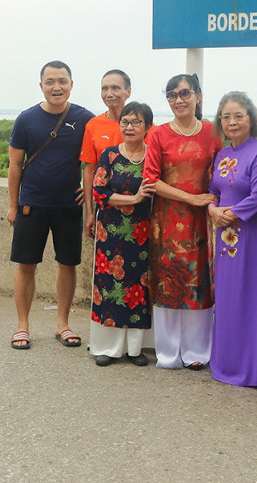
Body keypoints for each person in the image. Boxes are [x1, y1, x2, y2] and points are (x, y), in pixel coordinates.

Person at [7, 61, 94, 350]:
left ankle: (63, 324)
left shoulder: (85, 119)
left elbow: (99, 158)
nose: (57, 87)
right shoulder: (26, 119)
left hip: (69, 204)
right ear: (41, 85)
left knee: (67, 264)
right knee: (26, 265)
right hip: (31, 203)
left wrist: (91, 190)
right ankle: (22, 326)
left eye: (62, 81)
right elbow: (15, 165)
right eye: (50, 81)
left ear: (71, 84)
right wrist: (13, 205)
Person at [143, 73, 220, 370]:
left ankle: (197, 352)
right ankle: (167, 353)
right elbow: (151, 179)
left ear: (198, 96)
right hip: (167, 219)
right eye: (172, 95)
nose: (179, 100)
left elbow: (221, 174)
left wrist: (210, 203)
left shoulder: (212, 132)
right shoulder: (159, 134)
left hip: (202, 220)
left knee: (199, 281)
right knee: (168, 280)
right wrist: (191, 198)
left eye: (185, 93)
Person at [207, 91, 257, 386]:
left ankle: (251, 367)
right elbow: (214, 190)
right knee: (227, 298)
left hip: (250, 236)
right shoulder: (222, 154)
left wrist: (227, 215)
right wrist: (212, 210)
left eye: (238, 116)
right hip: (224, 236)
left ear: (251, 118)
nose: (232, 122)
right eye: (226, 117)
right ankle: (226, 362)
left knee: (249, 298)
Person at [88, 101, 156, 367]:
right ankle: (108, 347)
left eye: (136, 122)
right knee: (110, 287)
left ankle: (135, 349)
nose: (129, 127)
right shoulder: (110, 155)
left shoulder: (153, 156)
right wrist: (134, 198)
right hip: (110, 233)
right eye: (125, 122)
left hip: (142, 232)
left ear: (147, 127)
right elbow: (99, 192)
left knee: (137, 287)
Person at [80, 70, 132, 239]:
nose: (109, 94)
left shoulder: (143, 124)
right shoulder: (93, 125)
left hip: (137, 205)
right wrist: (89, 213)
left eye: (115, 88)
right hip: (104, 206)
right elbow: (89, 170)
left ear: (128, 91)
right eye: (104, 88)